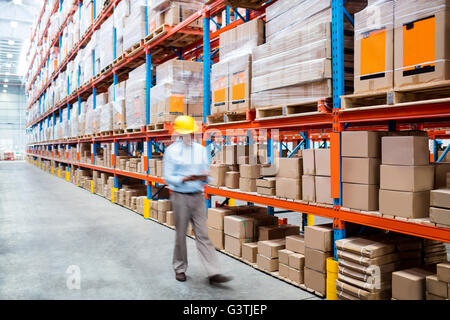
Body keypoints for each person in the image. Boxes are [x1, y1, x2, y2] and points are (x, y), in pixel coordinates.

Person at [163, 115, 232, 284]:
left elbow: (205, 172)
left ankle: (213, 272)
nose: (190, 136)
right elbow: (167, 177)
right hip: (180, 197)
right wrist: (184, 179)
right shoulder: (172, 151)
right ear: (179, 133)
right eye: (186, 133)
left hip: (198, 197)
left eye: (191, 133)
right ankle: (179, 268)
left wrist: (205, 178)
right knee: (180, 235)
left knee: (203, 234)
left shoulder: (200, 150)